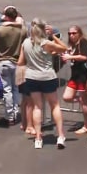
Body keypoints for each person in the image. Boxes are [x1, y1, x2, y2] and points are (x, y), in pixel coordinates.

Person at [18, 19, 68, 149]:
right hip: (47, 76)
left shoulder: (26, 42)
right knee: (54, 105)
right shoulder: (46, 43)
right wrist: (53, 37)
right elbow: (64, 48)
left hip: (32, 76)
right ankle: (61, 135)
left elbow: (20, 61)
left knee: (37, 107)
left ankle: (38, 137)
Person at [0, 6, 27, 126]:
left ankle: (9, 115)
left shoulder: (0, 30)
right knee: (15, 89)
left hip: (4, 60)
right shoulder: (22, 30)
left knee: (7, 90)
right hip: (17, 61)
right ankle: (16, 112)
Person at [61, 25, 87, 134]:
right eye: (70, 33)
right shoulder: (73, 45)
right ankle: (85, 101)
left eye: (74, 33)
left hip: (83, 76)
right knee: (66, 97)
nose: (71, 35)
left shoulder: (83, 42)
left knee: (84, 102)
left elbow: (85, 57)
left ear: (79, 33)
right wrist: (67, 55)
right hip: (75, 76)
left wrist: (70, 57)